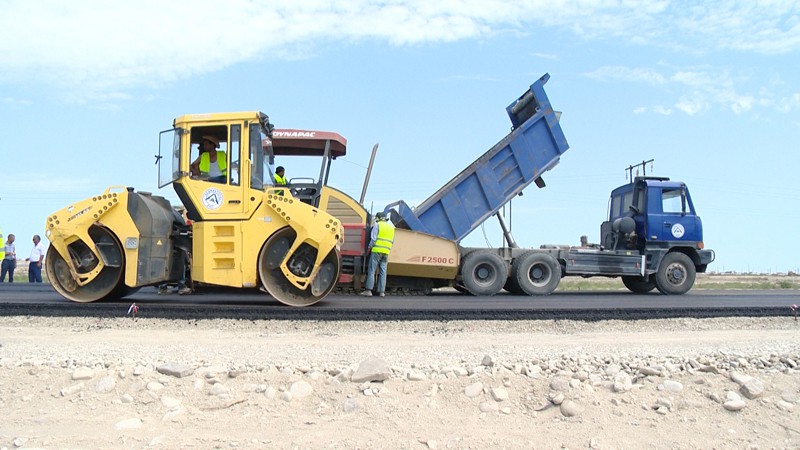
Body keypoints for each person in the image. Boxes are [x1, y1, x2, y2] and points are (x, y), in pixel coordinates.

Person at [360, 211, 395, 297]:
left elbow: (373, 239)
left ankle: (368, 291)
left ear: (378, 219)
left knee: (372, 270)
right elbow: (392, 241)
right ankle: (381, 292)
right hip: (386, 252)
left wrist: (369, 248)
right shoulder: (391, 227)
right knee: (383, 272)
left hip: (376, 250)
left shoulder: (377, 225)